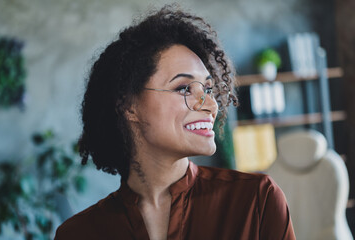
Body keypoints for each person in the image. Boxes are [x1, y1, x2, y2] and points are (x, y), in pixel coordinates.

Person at [55, 4, 296, 240]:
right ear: (128, 105)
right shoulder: (78, 234)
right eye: (183, 89)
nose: (210, 105)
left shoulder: (257, 201)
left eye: (208, 89)